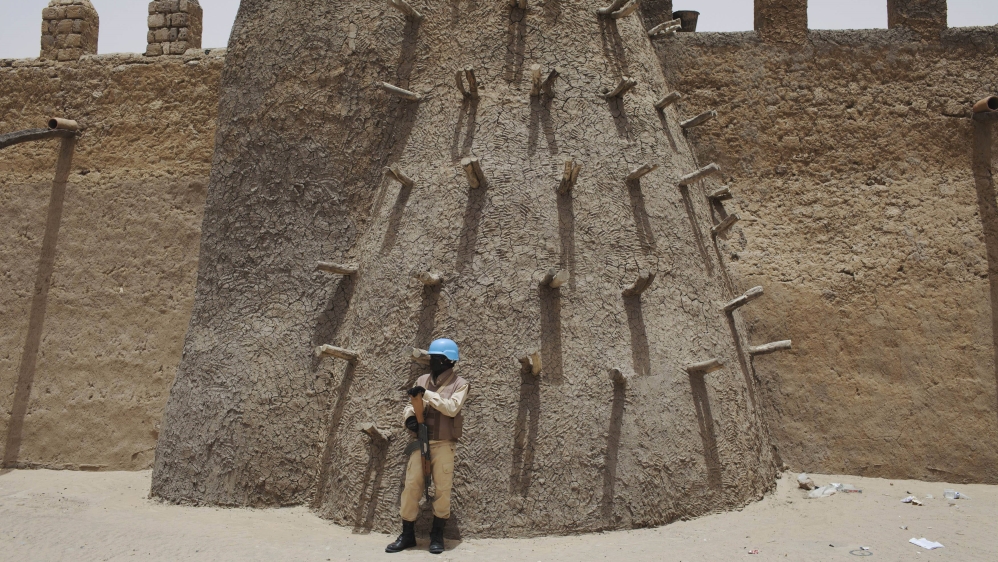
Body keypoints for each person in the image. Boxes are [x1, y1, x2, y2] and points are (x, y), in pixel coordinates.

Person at [386, 338, 469, 555]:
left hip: (443, 444)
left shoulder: (460, 384)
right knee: (412, 485)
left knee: (442, 489)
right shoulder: (422, 379)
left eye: (436, 358)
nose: (432, 361)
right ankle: (407, 535)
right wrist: (409, 418)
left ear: (447, 361)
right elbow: (411, 404)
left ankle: (436, 535)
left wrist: (428, 395)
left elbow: (451, 408)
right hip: (420, 441)